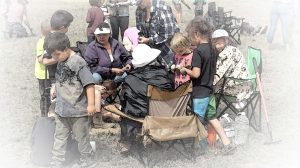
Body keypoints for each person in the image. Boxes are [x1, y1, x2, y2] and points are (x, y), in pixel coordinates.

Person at [182, 17, 236, 155]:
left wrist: (184, 70)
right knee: (212, 117)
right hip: (210, 90)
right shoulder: (213, 50)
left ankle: (195, 148)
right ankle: (226, 142)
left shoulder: (198, 52)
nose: (190, 40)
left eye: (190, 36)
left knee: (198, 120)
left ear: (196, 35)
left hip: (200, 93)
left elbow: (195, 73)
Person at [46, 32, 96, 168]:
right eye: (52, 55)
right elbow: (60, 78)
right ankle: (57, 161)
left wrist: (91, 104)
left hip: (78, 111)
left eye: (56, 54)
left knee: (82, 138)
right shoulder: (61, 61)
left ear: (66, 48)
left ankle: (87, 158)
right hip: (61, 110)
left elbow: (89, 84)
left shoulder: (79, 62)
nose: (54, 58)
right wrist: (55, 87)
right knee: (59, 137)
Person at [136, 0, 180, 68]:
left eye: (140, 1)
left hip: (166, 51)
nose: (138, 4)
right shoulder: (139, 10)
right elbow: (140, 29)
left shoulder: (162, 8)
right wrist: (141, 37)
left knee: (168, 73)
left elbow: (169, 33)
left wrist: (149, 40)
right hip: (150, 54)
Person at [211, 29, 252, 102]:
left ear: (226, 42)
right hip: (246, 84)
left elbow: (219, 74)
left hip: (237, 88)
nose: (217, 46)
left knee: (209, 89)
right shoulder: (232, 49)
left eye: (220, 43)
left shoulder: (226, 53)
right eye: (216, 43)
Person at [39, 10, 74, 84]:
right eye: (68, 26)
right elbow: (45, 60)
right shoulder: (50, 40)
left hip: (62, 73)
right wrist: (64, 57)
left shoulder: (58, 37)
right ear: (62, 27)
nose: (68, 29)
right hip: (56, 75)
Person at [35, 19, 51, 117]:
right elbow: (40, 59)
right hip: (43, 74)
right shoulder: (41, 42)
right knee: (45, 96)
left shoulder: (49, 41)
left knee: (50, 95)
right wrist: (47, 53)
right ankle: (44, 116)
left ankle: (50, 114)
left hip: (49, 74)